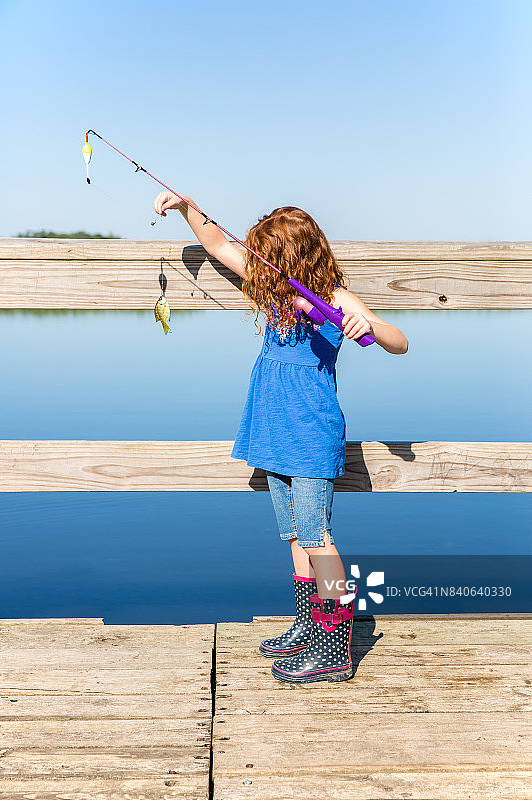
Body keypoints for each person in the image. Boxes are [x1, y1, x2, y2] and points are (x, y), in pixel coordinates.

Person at [153, 192, 409, 683]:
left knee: (318, 537)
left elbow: (400, 341)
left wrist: (369, 325)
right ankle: (309, 623)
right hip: (271, 426)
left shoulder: (334, 298)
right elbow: (216, 244)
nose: (260, 263)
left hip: (311, 431)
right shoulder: (271, 290)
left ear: (298, 256)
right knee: (293, 535)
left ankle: (336, 642)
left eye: (272, 255)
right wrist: (187, 207)